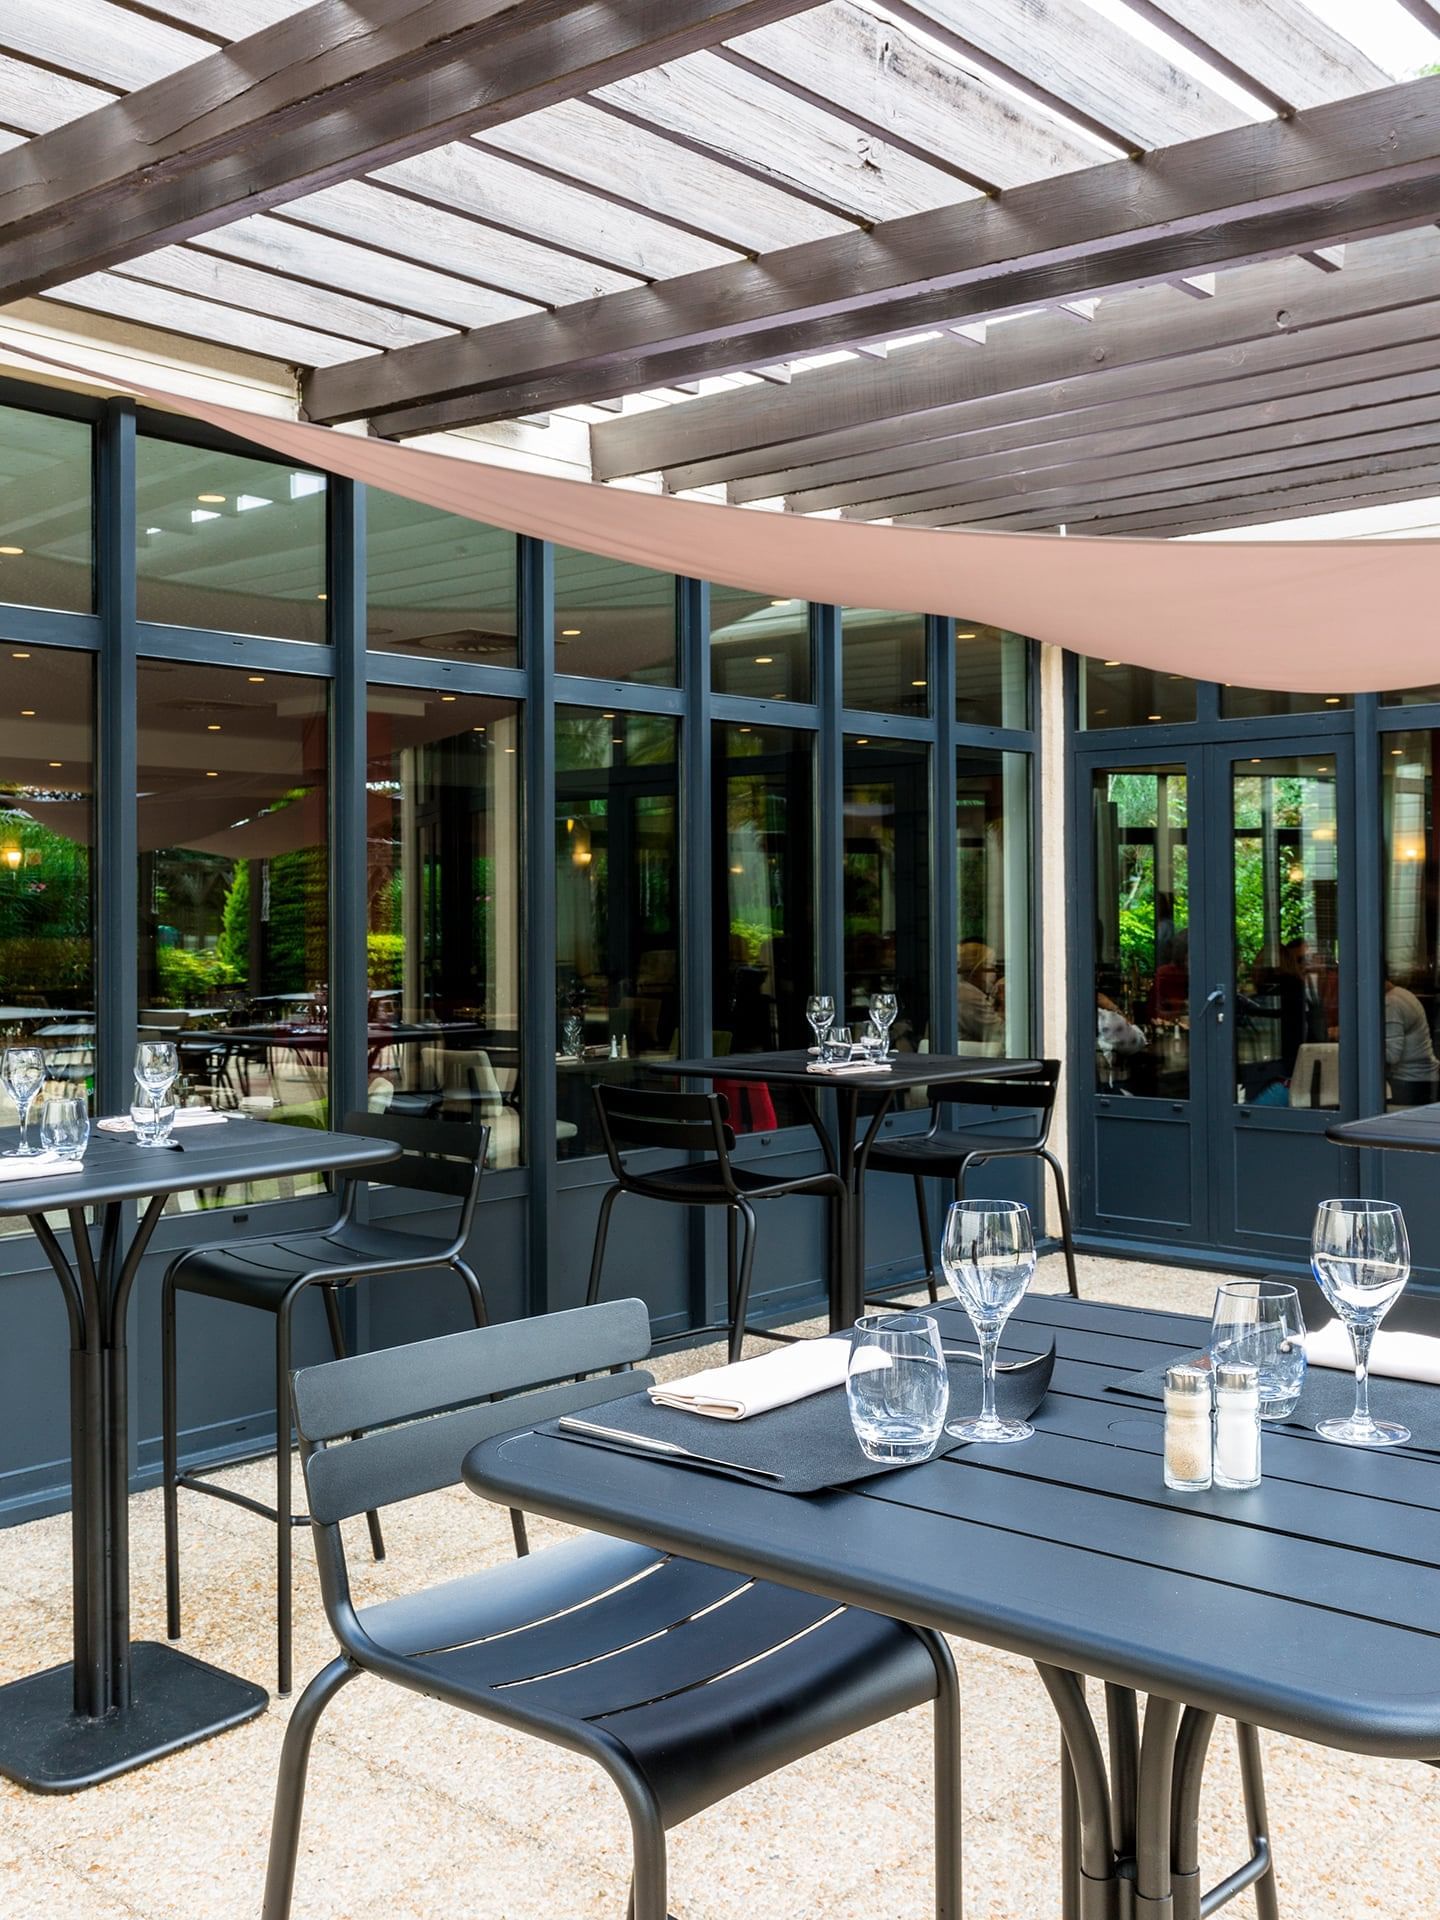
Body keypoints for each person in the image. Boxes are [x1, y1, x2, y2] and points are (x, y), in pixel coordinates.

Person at [1385, 979, 1440, 1106]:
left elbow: (1392, 1055)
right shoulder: (1403, 994)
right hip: (1423, 1079)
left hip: (1408, 1081)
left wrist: (1361, 1043)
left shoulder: (1391, 1003)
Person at [957, 941, 1002, 1051]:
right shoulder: (972, 997)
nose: (995, 974)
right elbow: (1003, 1035)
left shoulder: (960, 991)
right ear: (976, 970)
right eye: (991, 967)